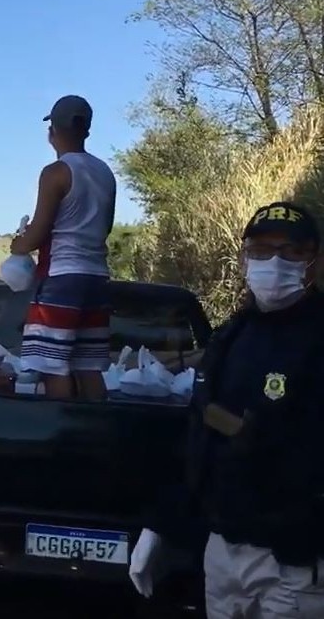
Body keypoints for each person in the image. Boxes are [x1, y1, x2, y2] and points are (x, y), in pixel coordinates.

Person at [137, 201, 324, 617]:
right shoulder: (232, 336)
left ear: (314, 261)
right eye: (260, 250)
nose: (274, 262)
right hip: (223, 550)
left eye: (291, 251)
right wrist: (162, 524)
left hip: (295, 561)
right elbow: (200, 437)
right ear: (243, 259)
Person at [10, 94, 116, 401]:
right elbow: (105, 228)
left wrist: (19, 245)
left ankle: (64, 438)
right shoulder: (105, 173)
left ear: (52, 131)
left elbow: (39, 233)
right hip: (97, 278)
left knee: (52, 366)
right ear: (87, 130)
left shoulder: (55, 173)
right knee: (88, 366)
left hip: (62, 279)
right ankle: (96, 435)